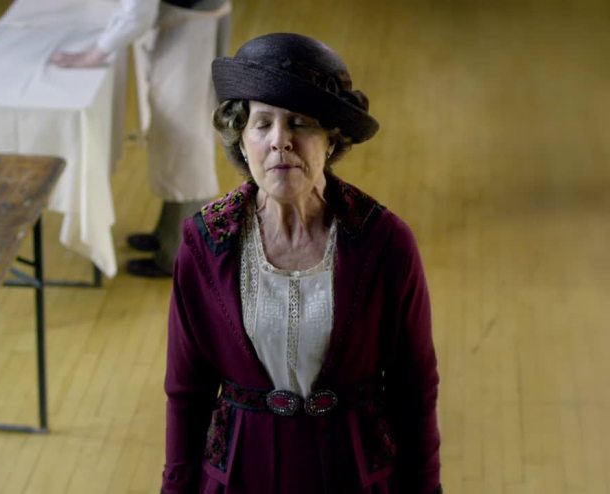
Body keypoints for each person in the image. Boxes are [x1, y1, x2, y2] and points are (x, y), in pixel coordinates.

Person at [161, 33, 442, 493]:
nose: (280, 142)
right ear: (242, 139)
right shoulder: (203, 245)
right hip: (240, 479)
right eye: (262, 124)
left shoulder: (387, 244)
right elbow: (186, 394)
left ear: (331, 140)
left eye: (300, 123)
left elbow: (415, 391)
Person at [49, 0, 232, 278]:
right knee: (178, 141)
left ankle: (179, 256)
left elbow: (138, 15)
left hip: (193, 29)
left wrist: (93, 54)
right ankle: (168, 233)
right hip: (192, 19)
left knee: (186, 144)